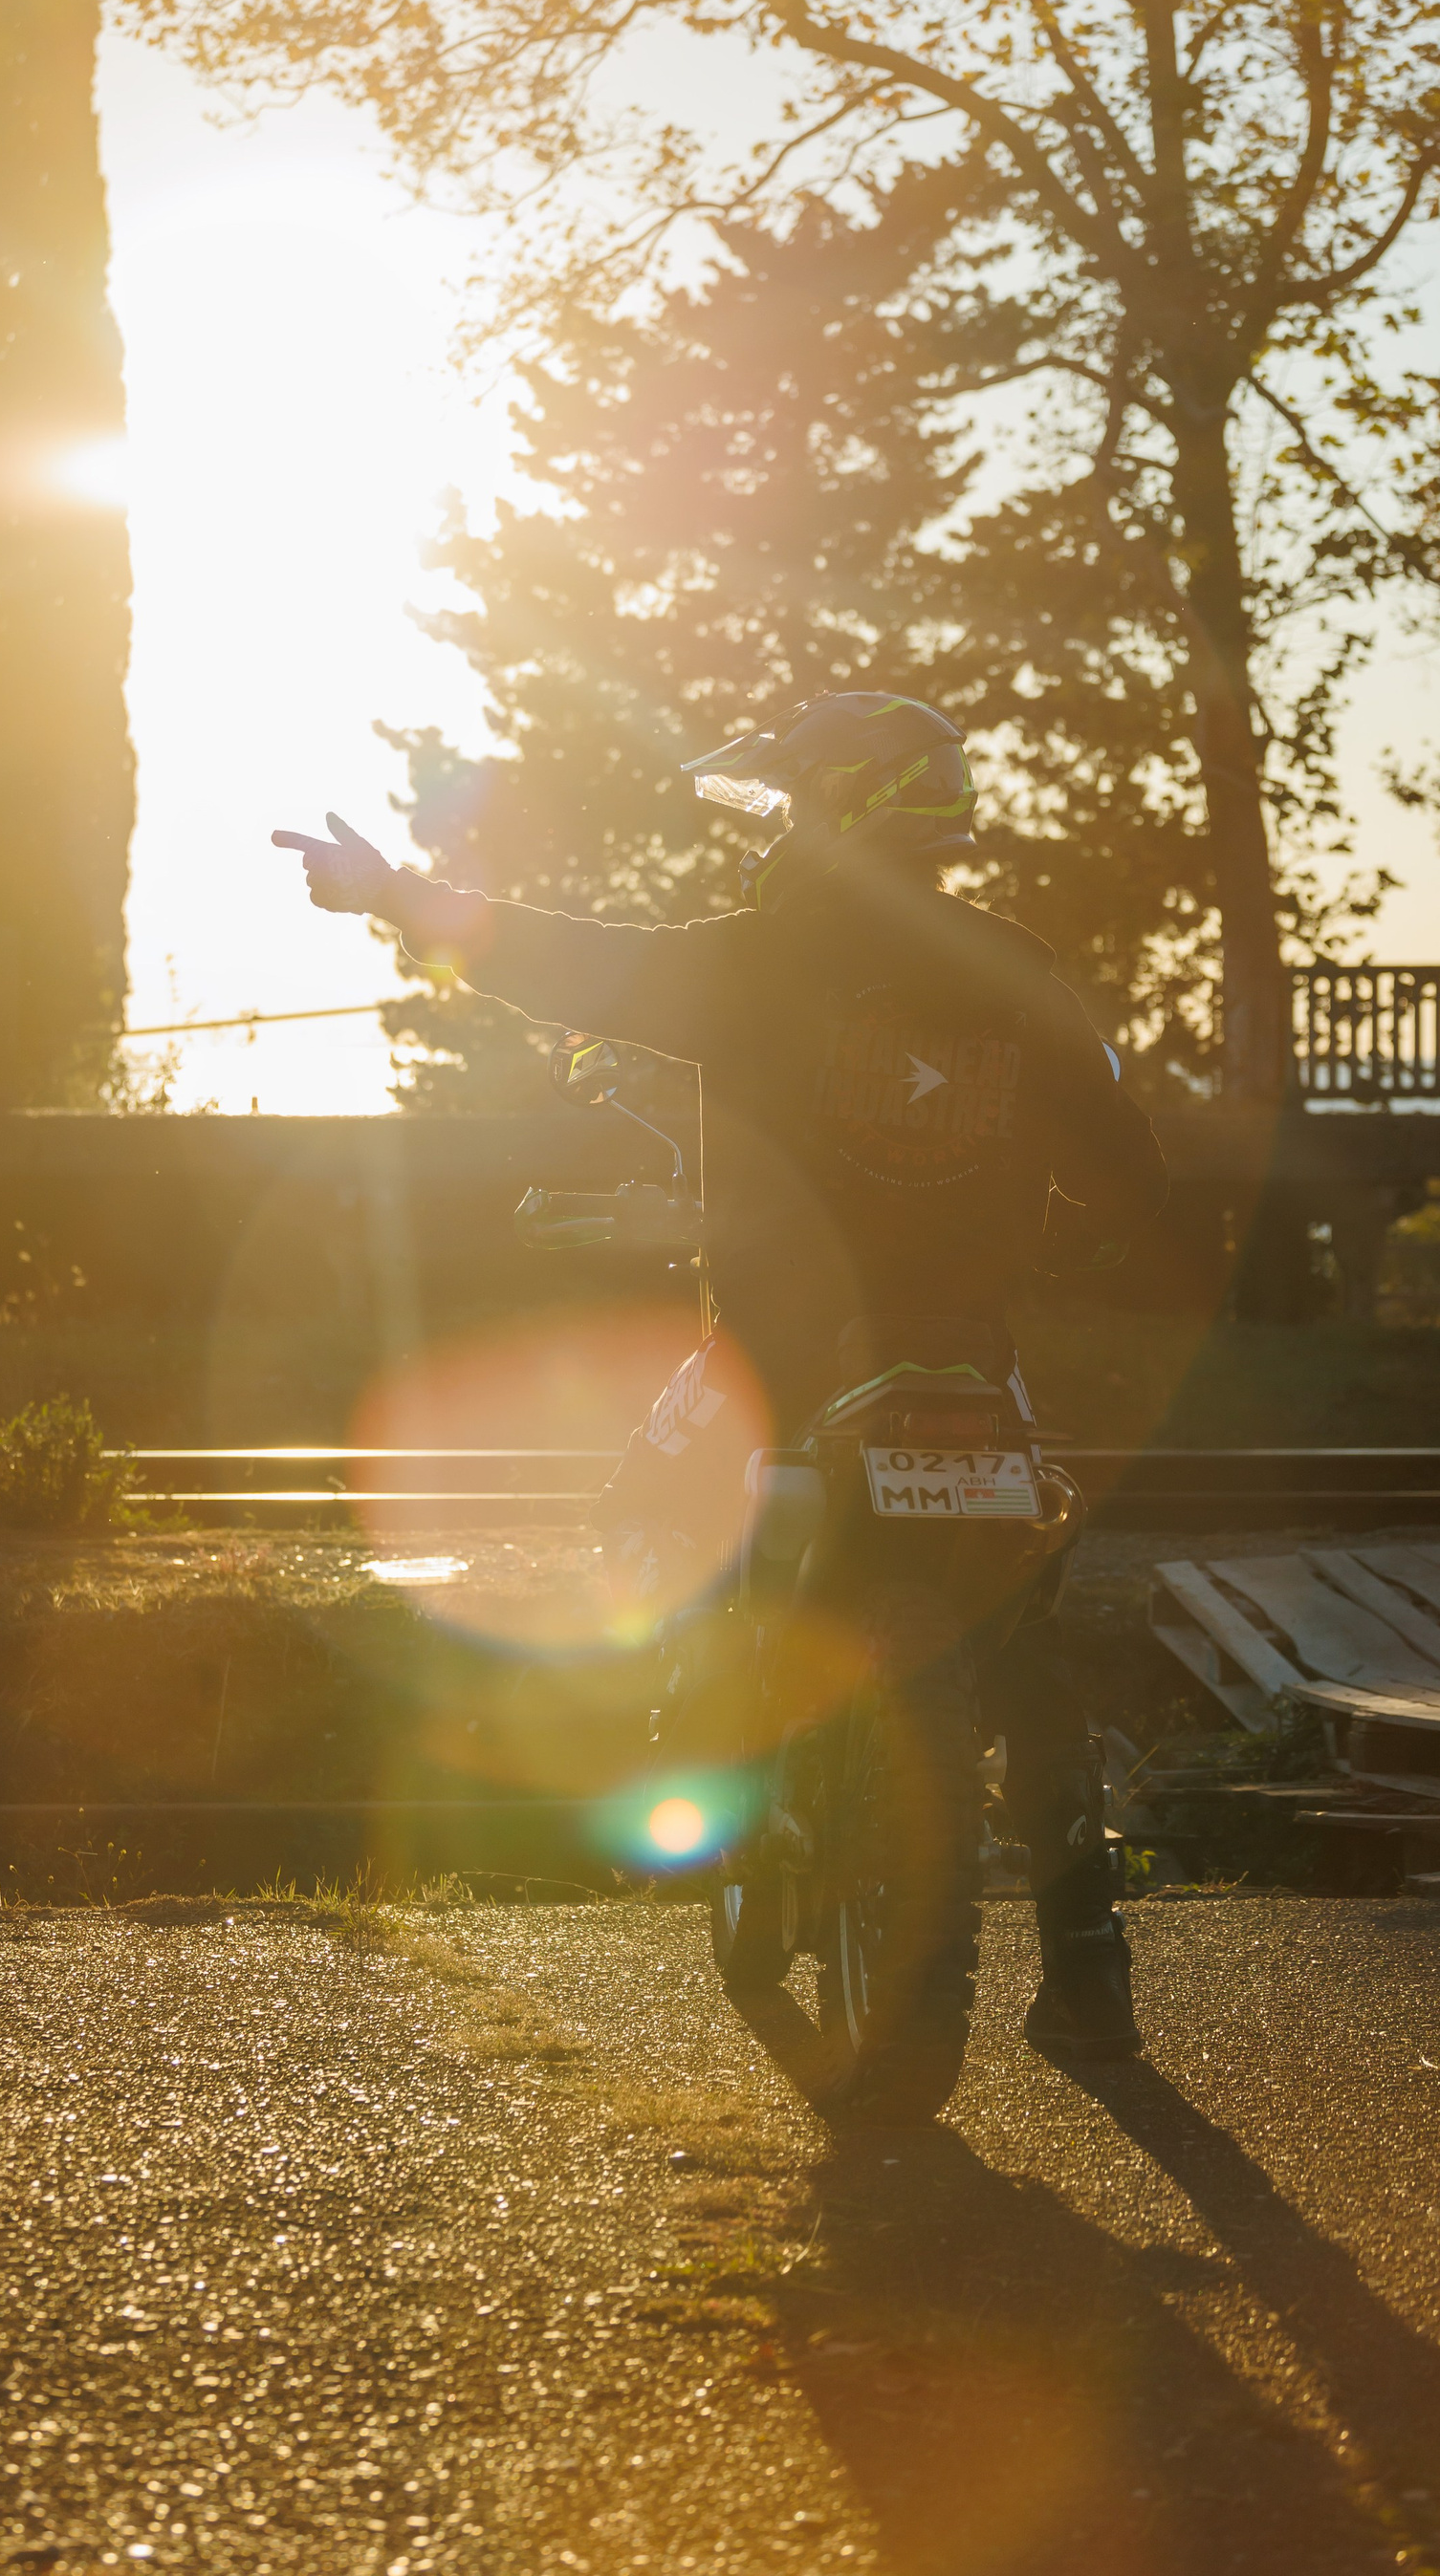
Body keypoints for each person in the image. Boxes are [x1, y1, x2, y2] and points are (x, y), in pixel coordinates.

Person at [274, 690, 1169, 2058]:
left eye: (791, 801)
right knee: (1026, 1637)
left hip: (787, 1361)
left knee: (648, 1516)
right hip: (969, 1364)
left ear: (840, 806)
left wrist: (394, 893)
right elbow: (1128, 1178)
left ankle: (693, 1752)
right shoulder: (1019, 974)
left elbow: (564, 960)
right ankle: (1093, 1970)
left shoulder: (762, 957)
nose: (772, 828)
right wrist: (1046, 1254)